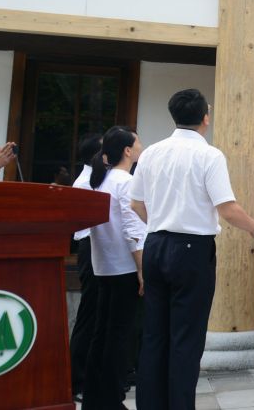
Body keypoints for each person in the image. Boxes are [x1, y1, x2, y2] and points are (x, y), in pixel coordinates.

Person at [129, 89, 254, 410]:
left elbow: (136, 204)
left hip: (156, 244)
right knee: (186, 338)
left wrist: (163, 223)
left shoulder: (151, 152)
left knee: (154, 333)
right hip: (192, 249)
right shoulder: (210, 156)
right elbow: (227, 208)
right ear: (205, 117)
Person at [83, 126, 146, 409]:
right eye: (138, 142)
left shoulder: (102, 179)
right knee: (120, 337)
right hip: (123, 268)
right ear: (127, 151)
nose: (142, 146)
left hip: (104, 266)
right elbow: (133, 229)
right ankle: (110, 399)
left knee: (103, 334)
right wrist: (142, 269)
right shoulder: (125, 181)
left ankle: (96, 398)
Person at [70, 133, 103, 401]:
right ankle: (76, 379)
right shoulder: (84, 183)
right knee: (89, 314)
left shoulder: (99, 180)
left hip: (99, 249)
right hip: (89, 248)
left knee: (99, 314)